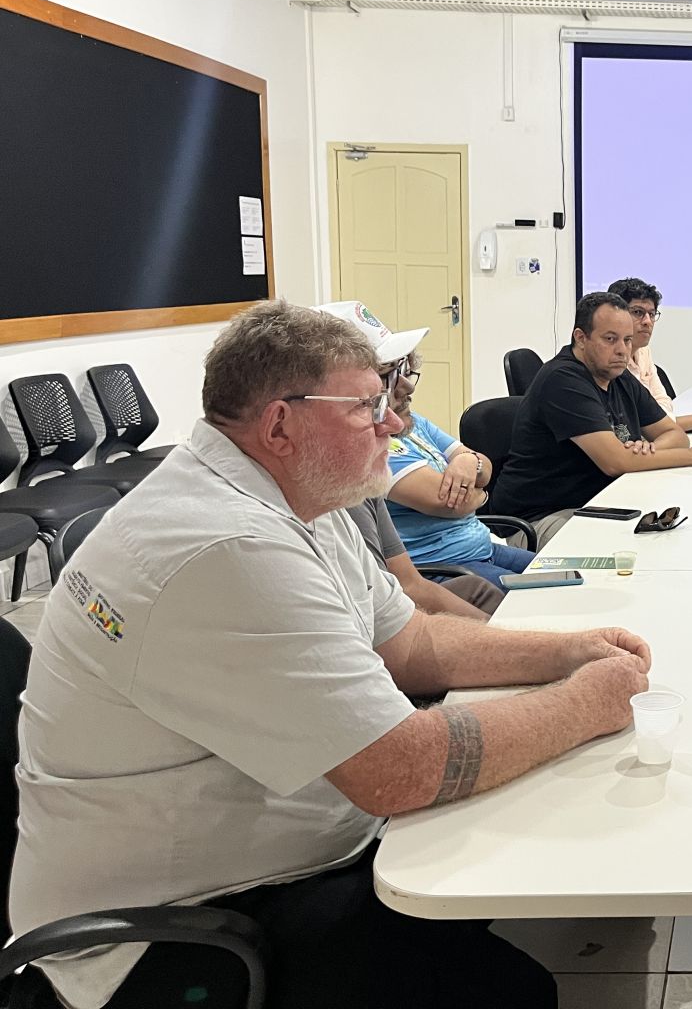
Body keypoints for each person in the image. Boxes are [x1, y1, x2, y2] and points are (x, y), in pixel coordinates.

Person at [11, 300, 654, 1009]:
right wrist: (585, 702)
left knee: (495, 883)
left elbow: (411, 640)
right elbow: (399, 769)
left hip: (273, 853)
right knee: (512, 989)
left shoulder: (299, 499)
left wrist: (567, 651)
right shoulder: (226, 546)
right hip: (181, 930)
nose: (399, 424)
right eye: (369, 407)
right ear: (281, 423)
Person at [313, 301, 537, 588]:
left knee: (581, 579)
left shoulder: (411, 421)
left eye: (404, 368)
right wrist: (479, 487)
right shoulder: (368, 445)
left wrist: (469, 463)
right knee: (547, 607)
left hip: (483, 549)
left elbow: (483, 467)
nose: (408, 386)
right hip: (449, 567)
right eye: (389, 375)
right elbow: (449, 504)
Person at [491, 291, 692, 545]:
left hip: (600, 502)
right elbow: (615, 462)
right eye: (610, 339)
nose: (622, 351)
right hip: (542, 517)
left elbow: (675, 435)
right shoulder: (562, 380)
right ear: (581, 338)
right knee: (628, 549)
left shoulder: (617, 374)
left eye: (627, 340)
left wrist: (647, 449)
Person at [608, 277, 692, 433]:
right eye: (638, 312)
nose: (648, 321)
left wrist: (659, 423)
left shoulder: (643, 351)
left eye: (652, 314)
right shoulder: (610, 360)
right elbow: (635, 425)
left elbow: (663, 407)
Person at [345, 494, 501, 621]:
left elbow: (410, 582)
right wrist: (495, 634)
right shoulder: (348, 500)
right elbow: (382, 610)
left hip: (480, 546)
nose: (389, 454)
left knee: (477, 587)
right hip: (379, 618)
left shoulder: (367, 486)